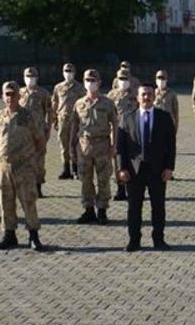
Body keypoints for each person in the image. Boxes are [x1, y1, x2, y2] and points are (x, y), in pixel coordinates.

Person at [116, 85, 177, 251]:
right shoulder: (127, 118)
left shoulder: (164, 117)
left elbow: (171, 145)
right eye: (143, 94)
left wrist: (169, 168)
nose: (146, 97)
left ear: (154, 97)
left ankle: (159, 239)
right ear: (137, 97)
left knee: (158, 206)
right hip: (134, 170)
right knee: (134, 207)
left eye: (149, 94)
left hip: (157, 170)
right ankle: (134, 240)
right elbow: (121, 147)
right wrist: (122, 168)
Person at [0, 81, 47, 251]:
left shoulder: (28, 116)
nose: (10, 97)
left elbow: (40, 141)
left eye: (13, 94)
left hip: (24, 167)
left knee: (28, 201)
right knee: (5, 201)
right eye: (6, 94)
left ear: (19, 96)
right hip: (4, 166)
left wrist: (29, 158)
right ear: (2, 96)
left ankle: (33, 235)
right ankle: (9, 234)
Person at [73, 68, 117, 224]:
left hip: (102, 145)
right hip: (84, 146)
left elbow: (115, 125)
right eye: (87, 80)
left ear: (99, 82)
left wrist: (113, 145)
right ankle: (89, 210)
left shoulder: (107, 103)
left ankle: (102, 210)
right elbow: (74, 127)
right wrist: (73, 148)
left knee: (103, 179)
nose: (90, 83)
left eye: (93, 80)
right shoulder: (79, 104)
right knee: (85, 180)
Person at [19, 66, 53, 197]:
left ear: (37, 78)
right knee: (24, 160)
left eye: (32, 76)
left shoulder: (43, 93)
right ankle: (26, 187)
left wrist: (48, 130)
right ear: (24, 78)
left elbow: (49, 112)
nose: (30, 79)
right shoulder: (20, 93)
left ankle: (38, 187)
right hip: (23, 133)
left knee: (39, 161)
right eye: (28, 76)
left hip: (39, 132)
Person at [108, 67, 136, 201]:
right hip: (117, 132)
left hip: (132, 134)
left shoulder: (136, 95)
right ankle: (120, 189)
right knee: (118, 161)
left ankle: (133, 188)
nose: (123, 81)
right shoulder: (111, 95)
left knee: (133, 160)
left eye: (126, 79)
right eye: (121, 79)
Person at [51, 62, 82, 179]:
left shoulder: (80, 87)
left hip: (76, 120)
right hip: (62, 119)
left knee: (75, 144)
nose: (68, 74)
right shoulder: (58, 87)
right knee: (64, 145)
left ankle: (76, 168)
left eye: (70, 71)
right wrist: (54, 119)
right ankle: (66, 169)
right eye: (66, 71)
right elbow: (55, 103)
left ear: (74, 73)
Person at [154, 69, 180, 134]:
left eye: (163, 78)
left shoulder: (172, 94)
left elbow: (175, 112)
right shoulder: (151, 93)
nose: (161, 80)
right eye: (159, 78)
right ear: (156, 80)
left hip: (168, 125)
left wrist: (175, 128)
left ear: (166, 80)